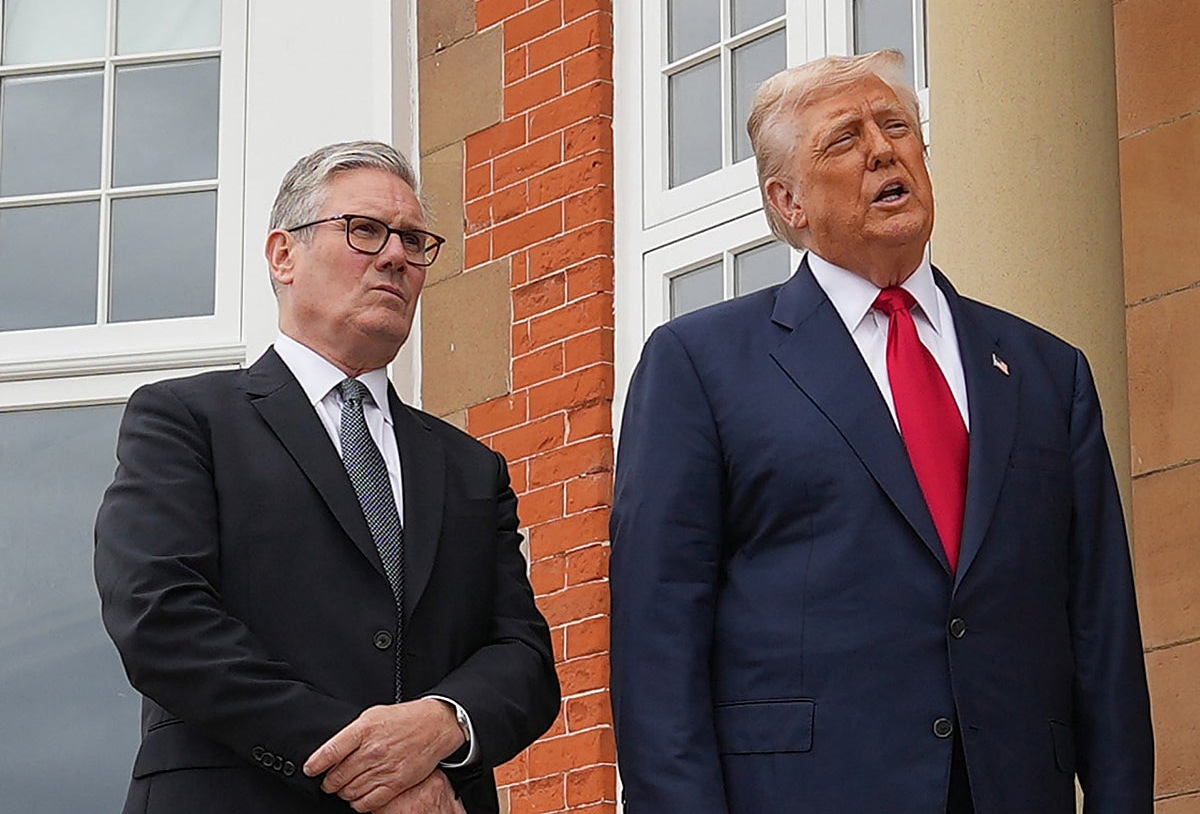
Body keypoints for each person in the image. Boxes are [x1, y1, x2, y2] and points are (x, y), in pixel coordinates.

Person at [609, 51, 1153, 814]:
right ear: (788, 202)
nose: (882, 149)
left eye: (897, 125)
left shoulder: (1045, 372)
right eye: (844, 139)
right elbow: (657, 645)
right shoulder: (700, 365)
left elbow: (1104, 637)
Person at [95, 140, 560, 814]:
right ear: (284, 254)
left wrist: (444, 722)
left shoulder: (469, 469)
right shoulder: (184, 421)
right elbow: (161, 618)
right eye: (365, 230)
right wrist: (370, 768)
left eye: (413, 239)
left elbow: (523, 657)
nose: (396, 255)